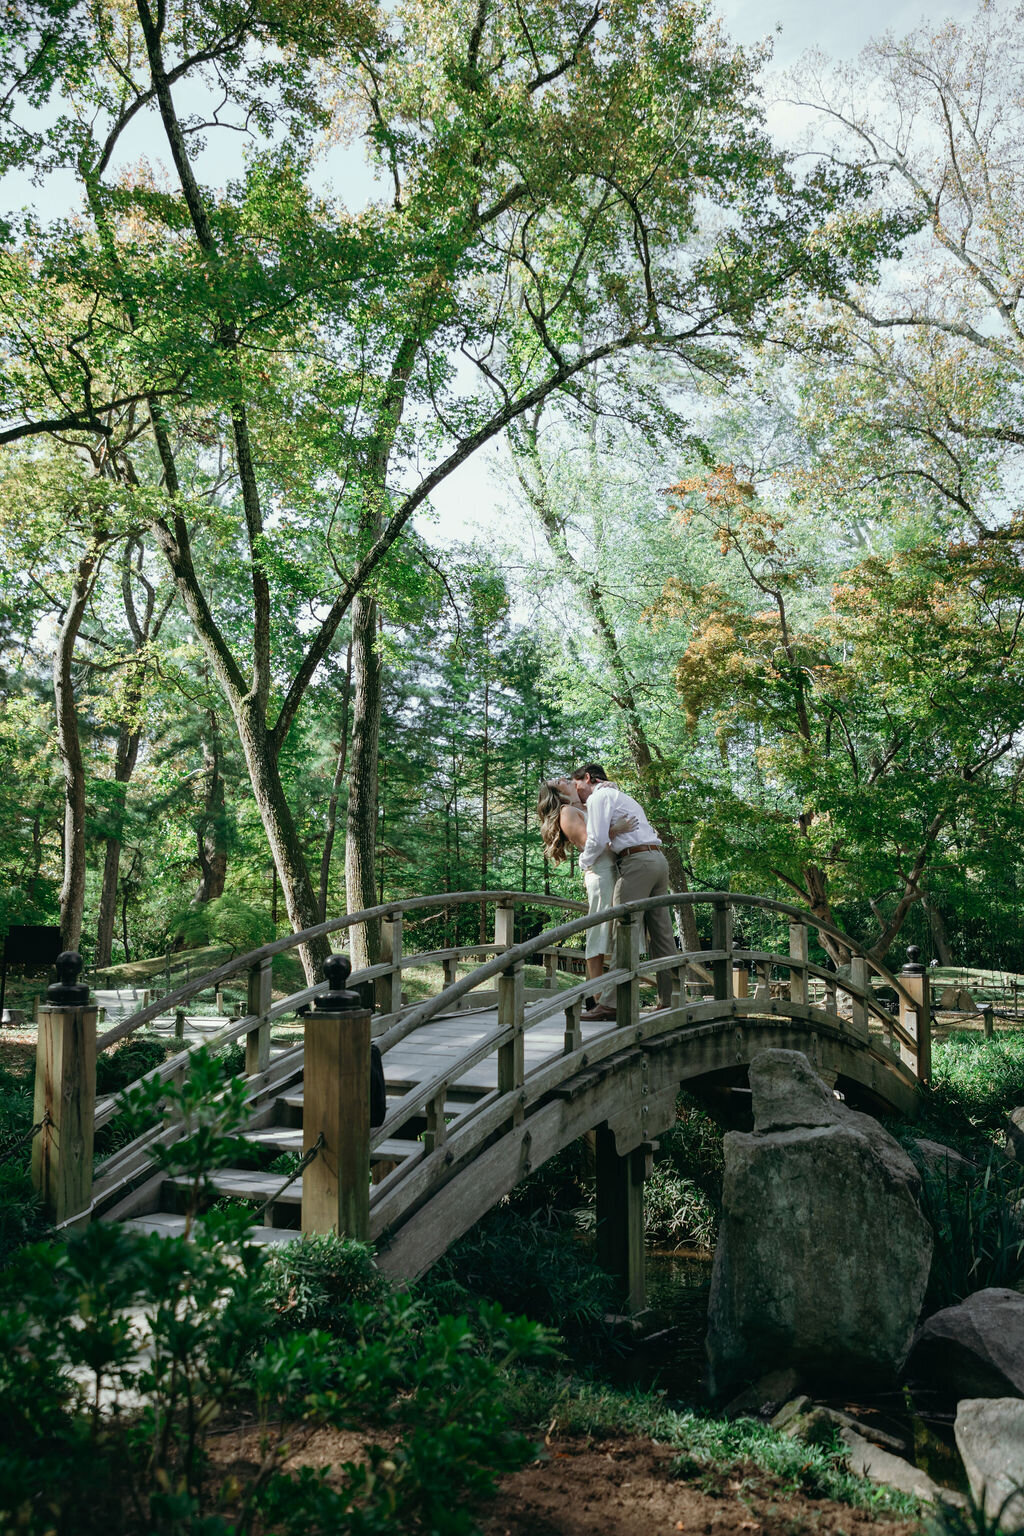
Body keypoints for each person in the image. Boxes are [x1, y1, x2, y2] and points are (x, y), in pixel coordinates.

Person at [572, 762, 676, 1020]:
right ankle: (670, 998)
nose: (578, 794)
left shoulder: (599, 796)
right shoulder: (619, 795)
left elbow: (595, 840)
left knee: (624, 928)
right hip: (658, 860)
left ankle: (611, 1003)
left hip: (637, 863)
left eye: (578, 786)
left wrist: (583, 863)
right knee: (661, 933)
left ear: (588, 778)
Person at [536, 778, 633, 1000]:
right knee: (598, 934)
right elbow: (590, 843)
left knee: (617, 933)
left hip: (615, 870)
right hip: (601, 874)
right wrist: (615, 829)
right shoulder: (567, 812)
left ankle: (615, 997)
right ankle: (598, 997)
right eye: (559, 781)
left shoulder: (587, 805)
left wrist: (612, 786)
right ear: (558, 794)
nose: (566, 779)